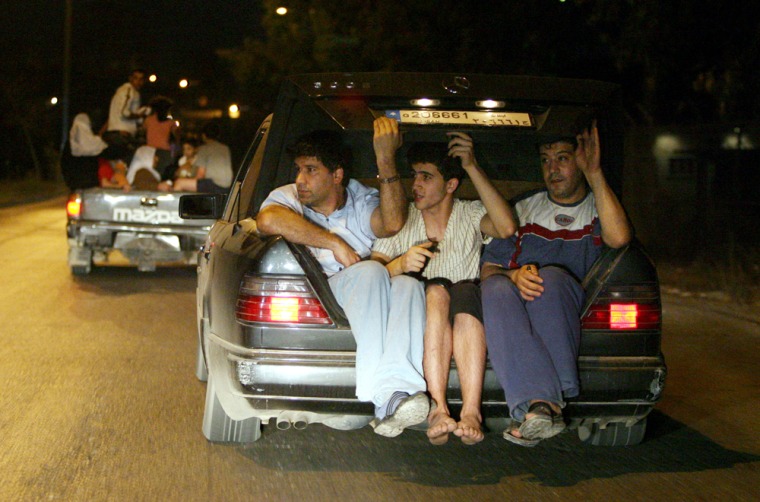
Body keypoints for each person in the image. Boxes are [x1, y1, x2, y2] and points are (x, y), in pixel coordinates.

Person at [256, 117, 430, 438]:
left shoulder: (360, 198)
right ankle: (383, 395)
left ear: (337, 175)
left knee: (408, 285)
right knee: (369, 272)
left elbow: (392, 224)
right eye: (298, 169)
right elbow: (267, 218)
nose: (300, 179)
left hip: (365, 293)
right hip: (319, 298)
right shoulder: (289, 196)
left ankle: (396, 396)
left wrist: (385, 159)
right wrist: (333, 242)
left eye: (311, 170)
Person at [480, 121, 632, 446]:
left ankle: (540, 402)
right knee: (493, 287)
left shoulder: (597, 206)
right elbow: (488, 270)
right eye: (546, 160)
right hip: (516, 308)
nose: (553, 169)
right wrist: (512, 276)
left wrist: (595, 173)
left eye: (562, 158)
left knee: (549, 278)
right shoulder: (524, 208)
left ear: (580, 161)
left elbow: (619, 238)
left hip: (567, 304)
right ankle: (542, 409)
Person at [371, 133, 516, 445]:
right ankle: (438, 407)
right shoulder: (403, 218)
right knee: (436, 291)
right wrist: (399, 264)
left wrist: (472, 167)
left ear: (450, 185)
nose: (416, 185)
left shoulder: (470, 212)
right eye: (415, 176)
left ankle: (471, 411)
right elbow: (371, 276)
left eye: (427, 177)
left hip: (467, 310)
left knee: (465, 291)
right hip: (424, 315)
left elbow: (506, 227)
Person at [162, 123, 231, 193]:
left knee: (179, 183)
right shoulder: (225, 148)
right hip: (227, 185)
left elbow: (200, 175)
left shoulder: (204, 149)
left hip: (215, 184)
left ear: (203, 136)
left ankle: (176, 203)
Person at [103, 69, 150, 161]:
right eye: (136, 78)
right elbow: (125, 112)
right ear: (130, 78)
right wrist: (140, 115)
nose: (138, 82)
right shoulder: (129, 90)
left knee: (117, 164)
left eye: (141, 79)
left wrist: (101, 133)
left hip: (117, 134)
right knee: (127, 163)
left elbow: (114, 115)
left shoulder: (125, 91)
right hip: (122, 135)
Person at [143, 95, 180, 175]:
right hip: (165, 153)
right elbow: (176, 140)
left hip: (150, 152)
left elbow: (143, 132)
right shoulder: (171, 123)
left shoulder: (148, 120)